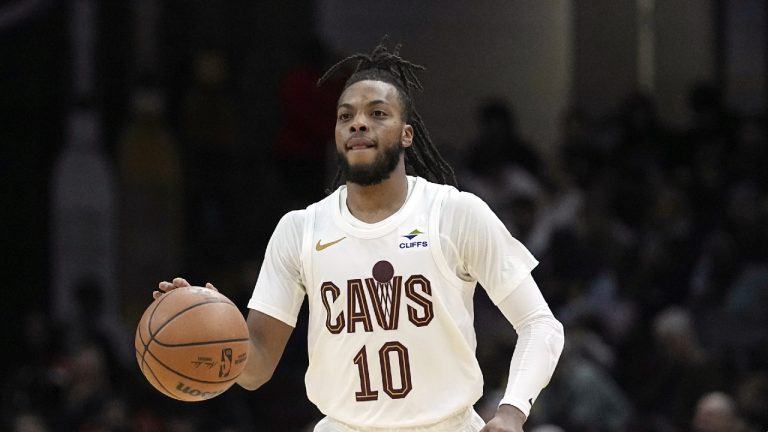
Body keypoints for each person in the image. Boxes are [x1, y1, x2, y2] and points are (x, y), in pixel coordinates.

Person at [156, 39, 564, 432]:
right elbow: (257, 368)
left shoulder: (455, 214)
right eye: (345, 115)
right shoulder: (299, 229)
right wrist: (215, 329)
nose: (359, 123)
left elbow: (540, 324)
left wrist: (511, 412)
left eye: (377, 113)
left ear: (407, 133)